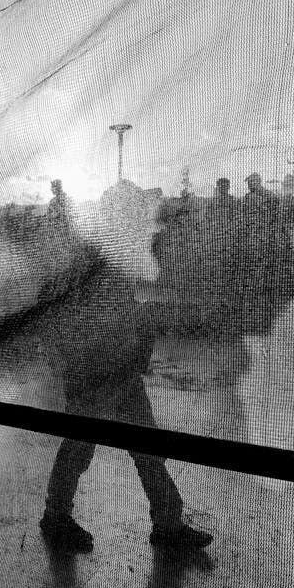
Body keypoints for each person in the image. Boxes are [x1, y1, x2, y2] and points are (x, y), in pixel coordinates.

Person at [37, 180, 213, 553]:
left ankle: (168, 523)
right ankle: (56, 518)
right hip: (94, 374)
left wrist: (143, 322)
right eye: (133, 214)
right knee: (81, 448)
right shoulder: (89, 254)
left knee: (146, 448)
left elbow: (118, 309)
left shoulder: (111, 252)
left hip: (121, 370)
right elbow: (63, 310)